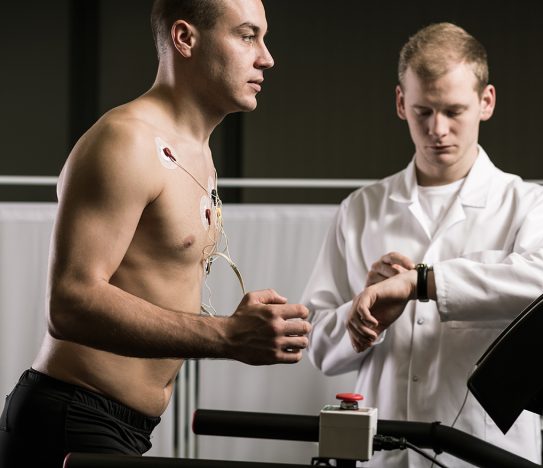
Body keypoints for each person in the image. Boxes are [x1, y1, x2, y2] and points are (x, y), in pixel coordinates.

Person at [0, 1, 311, 467]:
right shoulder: (125, 141)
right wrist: (226, 335)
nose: (266, 57)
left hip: (122, 425)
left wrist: (237, 326)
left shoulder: (196, 151)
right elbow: (69, 302)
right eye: (247, 36)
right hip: (69, 419)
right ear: (185, 39)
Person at [302, 22, 543, 467]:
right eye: (423, 111)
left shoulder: (533, 204)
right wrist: (363, 321)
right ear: (400, 103)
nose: (438, 129)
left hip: (486, 454)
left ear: (486, 102)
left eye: (454, 110)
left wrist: (421, 283)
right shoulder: (360, 209)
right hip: (383, 453)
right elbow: (319, 346)